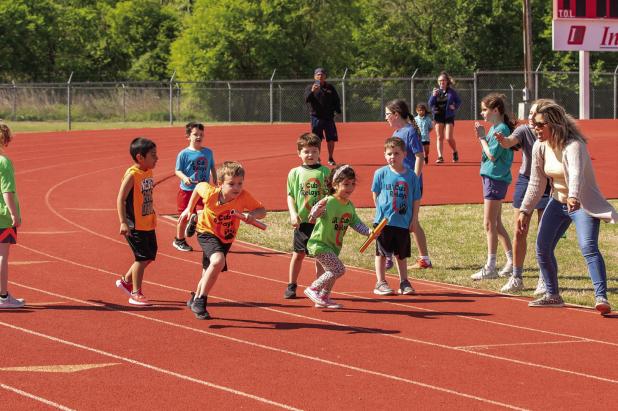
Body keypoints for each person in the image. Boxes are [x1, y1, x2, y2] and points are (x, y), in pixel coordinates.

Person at [519, 101, 617, 314]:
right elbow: (537, 183)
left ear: (555, 125)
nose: (535, 128)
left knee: (588, 247)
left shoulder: (574, 145)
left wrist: (573, 196)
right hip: (557, 201)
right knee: (542, 248)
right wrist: (525, 210)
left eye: (540, 124)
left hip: (582, 204)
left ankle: (601, 297)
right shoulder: (539, 146)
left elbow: (576, 174)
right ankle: (553, 294)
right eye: (534, 124)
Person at [183, 161, 266, 320]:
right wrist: (189, 208)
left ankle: (195, 298)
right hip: (206, 231)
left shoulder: (243, 196)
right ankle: (201, 301)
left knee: (208, 270)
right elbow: (199, 186)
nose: (236, 188)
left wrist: (253, 215)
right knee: (218, 260)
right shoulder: (211, 193)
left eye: (240, 183)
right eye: (231, 184)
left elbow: (262, 211)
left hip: (226, 238)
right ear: (220, 184)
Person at [496, 100, 553, 293]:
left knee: (543, 233)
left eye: (534, 113)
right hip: (526, 180)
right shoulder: (523, 131)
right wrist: (502, 141)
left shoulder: (549, 132)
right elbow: (509, 141)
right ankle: (517, 277)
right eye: (529, 112)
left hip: (546, 184)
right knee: (520, 230)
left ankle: (544, 278)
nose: (530, 116)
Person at [303, 165, 371, 309]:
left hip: (334, 246)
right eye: (346, 184)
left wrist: (369, 232)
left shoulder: (349, 206)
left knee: (332, 271)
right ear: (335, 184)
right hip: (319, 244)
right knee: (338, 269)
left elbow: (356, 223)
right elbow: (313, 215)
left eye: (352, 184)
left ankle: (324, 296)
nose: (350, 188)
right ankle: (313, 288)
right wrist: (315, 212)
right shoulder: (328, 201)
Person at [471, 93, 515, 281]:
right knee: (496, 223)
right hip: (491, 176)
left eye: (484, 109)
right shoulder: (496, 127)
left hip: (495, 178)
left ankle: (490, 266)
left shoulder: (502, 129)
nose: (482, 113)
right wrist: (483, 136)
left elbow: (492, 155)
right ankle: (512, 261)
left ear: (495, 110)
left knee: (489, 223)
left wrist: (481, 138)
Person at [384, 99, 432, 270]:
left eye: (388, 114)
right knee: (410, 221)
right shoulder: (398, 133)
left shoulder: (409, 131)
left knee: (408, 221)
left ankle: (392, 255)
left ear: (396, 114)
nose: (386, 118)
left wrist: (414, 180)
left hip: (409, 184)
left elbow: (419, 156)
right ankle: (422, 258)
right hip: (399, 183)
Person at [372, 137, 421, 296]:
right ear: (385, 155)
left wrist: (414, 219)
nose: (392, 156)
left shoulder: (412, 176)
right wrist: (380, 214)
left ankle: (404, 282)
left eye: (396, 153)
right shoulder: (380, 173)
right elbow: (376, 194)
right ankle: (380, 282)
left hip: (403, 222)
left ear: (404, 154)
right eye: (389, 153)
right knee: (381, 253)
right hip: (383, 223)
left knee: (401, 254)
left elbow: (415, 199)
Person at [284, 133, 330, 298]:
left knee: (320, 256)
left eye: (314, 151)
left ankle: (319, 287)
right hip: (302, 222)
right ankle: (291, 285)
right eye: (306, 151)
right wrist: (293, 214)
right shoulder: (294, 173)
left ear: (319, 152)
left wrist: (320, 208)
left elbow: (330, 195)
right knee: (298, 254)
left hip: (320, 223)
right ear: (299, 153)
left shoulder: (325, 172)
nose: (310, 155)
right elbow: (290, 195)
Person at [116, 137, 158, 306]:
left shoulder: (148, 171)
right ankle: (135, 292)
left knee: (150, 254)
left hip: (148, 221)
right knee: (141, 257)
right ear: (140, 157)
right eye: (153, 155)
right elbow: (121, 199)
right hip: (135, 224)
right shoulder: (132, 175)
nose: (157, 158)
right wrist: (123, 222)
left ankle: (126, 280)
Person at [172, 122, 216, 252]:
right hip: (187, 191)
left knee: (203, 213)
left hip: (203, 190)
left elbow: (212, 166)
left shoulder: (208, 152)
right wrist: (185, 178)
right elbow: (177, 170)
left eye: (201, 134)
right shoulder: (183, 154)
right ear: (188, 136)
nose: (198, 137)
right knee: (184, 216)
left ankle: (195, 221)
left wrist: (215, 178)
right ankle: (179, 240)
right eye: (195, 134)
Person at [0, 123, 24, 309]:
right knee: (2, 256)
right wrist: (14, 214)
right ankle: (3, 296)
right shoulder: (4, 162)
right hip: (2, 217)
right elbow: (7, 191)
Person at [304, 67, 342, 166]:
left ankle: (330, 157)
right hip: (316, 117)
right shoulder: (310, 87)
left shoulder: (330, 88)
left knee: (331, 139)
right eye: (318, 74)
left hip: (329, 118)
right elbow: (306, 100)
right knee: (316, 139)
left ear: (325, 76)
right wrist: (312, 91)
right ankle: (317, 158)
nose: (320, 76)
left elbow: (336, 100)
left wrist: (338, 111)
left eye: (322, 74)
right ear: (314, 76)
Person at [428, 71, 461, 163]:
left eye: (443, 80)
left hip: (448, 116)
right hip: (438, 116)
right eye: (439, 81)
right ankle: (440, 156)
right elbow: (430, 104)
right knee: (439, 137)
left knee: (448, 137)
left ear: (447, 81)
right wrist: (433, 96)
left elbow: (459, 101)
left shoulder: (452, 92)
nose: (441, 82)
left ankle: (455, 151)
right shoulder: (435, 92)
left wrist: (454, 106)